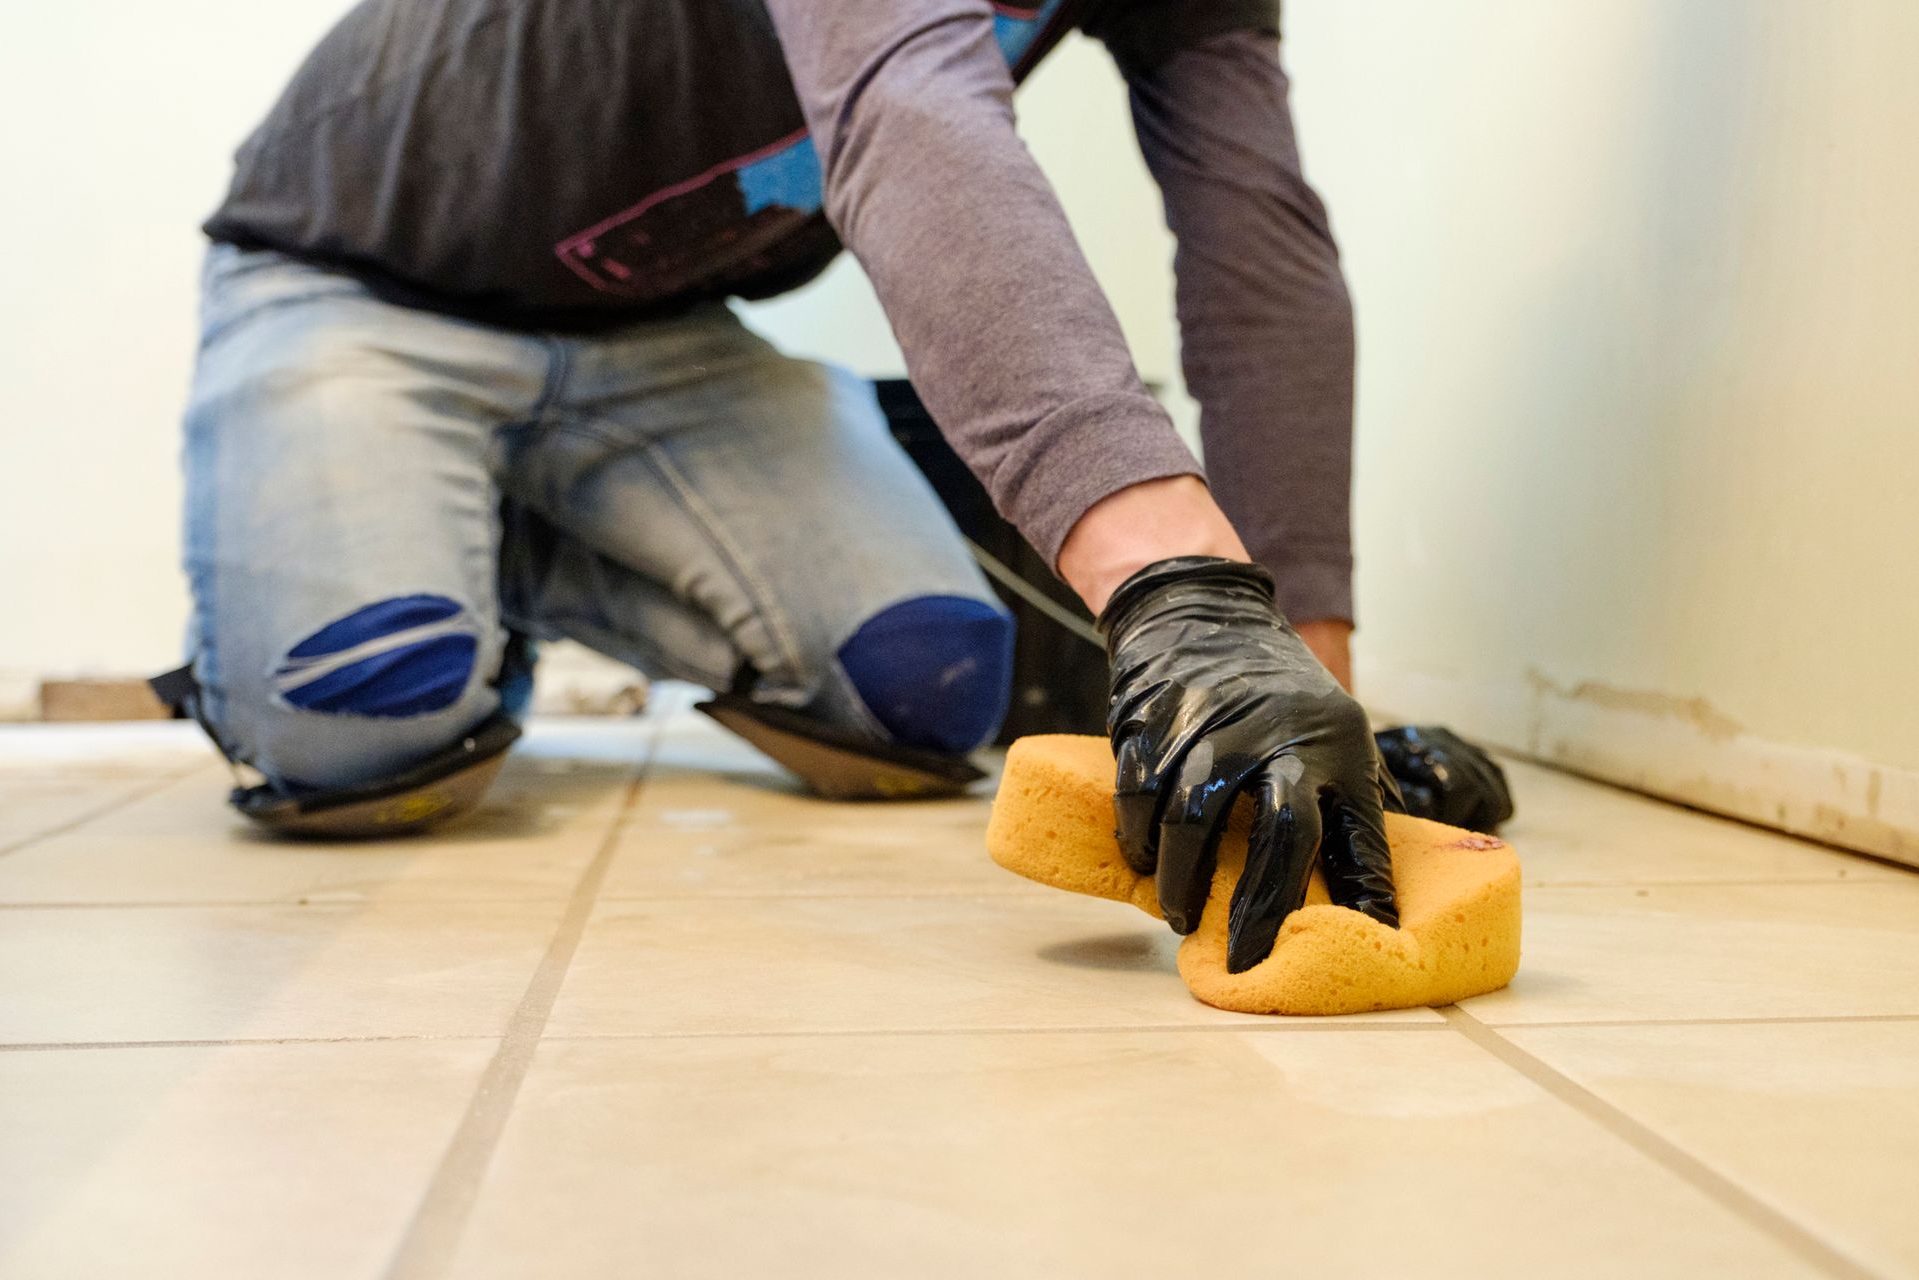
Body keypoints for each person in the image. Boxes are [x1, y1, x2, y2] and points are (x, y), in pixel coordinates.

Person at [163, 0, 1501, 974]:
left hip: (659, 339)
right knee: (366, 731)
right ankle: (431, 541)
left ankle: (483, 535)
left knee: (924, 694)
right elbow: (904, 105)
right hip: (354, 285)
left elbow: (1254, 249)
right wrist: (1183, 595)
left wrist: (1308, 681)